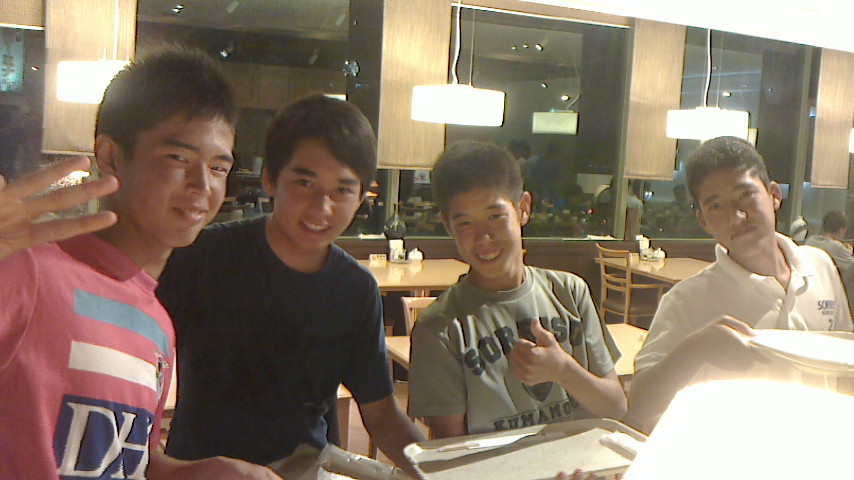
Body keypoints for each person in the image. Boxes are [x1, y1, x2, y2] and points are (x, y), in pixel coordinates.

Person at [0, 47, 281, 479]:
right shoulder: (26, 272)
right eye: (178, 158)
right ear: (111, 156)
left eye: (218, 168)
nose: (202, 185)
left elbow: (130, 461)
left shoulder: (157, 323)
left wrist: (207, 472)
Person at [156, 94, 424, 475]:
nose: (322, 207)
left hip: (301, 469)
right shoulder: (202, 256)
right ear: (270, 179)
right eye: (304, 182)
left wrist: (439, 471)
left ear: (362, 197)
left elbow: (381, 413)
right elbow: (137, 369)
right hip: (200, 470)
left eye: (342, 190)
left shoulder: (354, 290)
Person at [627, 136, 853, 433]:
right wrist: (695, 349)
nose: (736, 216)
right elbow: (640, 404)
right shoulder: (686, 300)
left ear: (774, 195)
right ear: (703, 221)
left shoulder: (820, 264)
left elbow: (845, 356)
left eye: (745, 195)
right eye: (716, 206)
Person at [407, 141, 626, 438]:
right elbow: (452, 451)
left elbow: (616, 407)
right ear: (448, 225)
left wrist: (563, 371)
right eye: (465, 223)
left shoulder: (570, 292)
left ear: (523, 208)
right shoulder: (440, 327)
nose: (483, 237)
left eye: (495, 216)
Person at [806, 211, 854, 308]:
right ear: (842, 230)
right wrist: (849, 253)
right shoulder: (837, 247)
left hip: (810, 290)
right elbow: (851, 267)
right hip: (830, 295)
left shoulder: (811, 241)